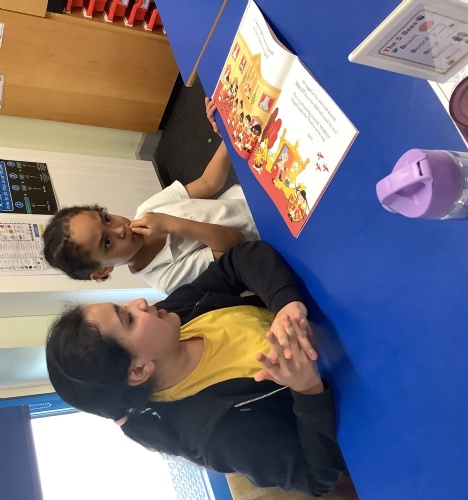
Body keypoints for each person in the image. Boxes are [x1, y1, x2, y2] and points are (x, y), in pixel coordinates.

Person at [46, 241, 348, 496]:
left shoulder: (173, 317)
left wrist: (284, 303)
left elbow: (238, 259)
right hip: (356, 396)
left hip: (343, 321)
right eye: (128, 319)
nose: (139, 302)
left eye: (122, 306)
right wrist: (307, 389)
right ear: (138, 371)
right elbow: (316, 476)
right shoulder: (216, 434)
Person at [42, 141, 260, 294]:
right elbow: (236, 244)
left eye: (106, 219)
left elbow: (208, 183)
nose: (120, 229)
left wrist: (229, 136)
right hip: (266, 238)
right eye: (107, 242)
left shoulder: (147, 209)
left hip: (251, 199)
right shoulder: (167, 279)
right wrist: (174, 225)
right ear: (102, 270)